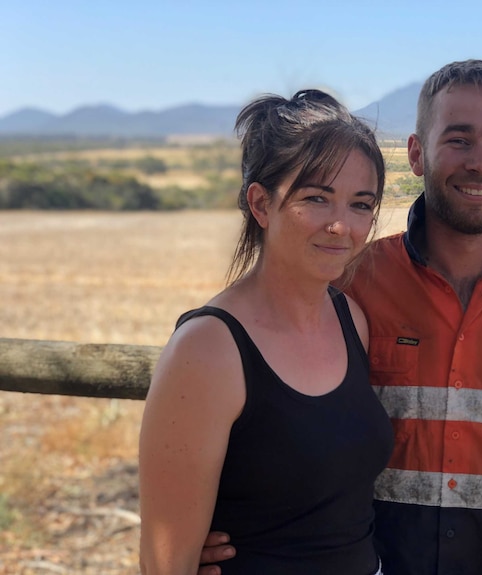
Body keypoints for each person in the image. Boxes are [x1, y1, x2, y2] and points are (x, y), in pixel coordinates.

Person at [199, 60, 482, 575]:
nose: (481, 162)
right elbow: (277, 411)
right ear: (415, 154)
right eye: (458, 139)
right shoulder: (350, 279)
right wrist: (230, 528)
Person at [138, 89, 393, 575]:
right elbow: (163, 564)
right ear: (261, 204)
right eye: (316, 198)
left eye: (361, 204)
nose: (342, 225)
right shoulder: (208, 350)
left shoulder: (351, 321)